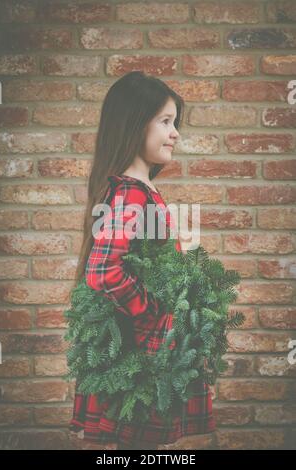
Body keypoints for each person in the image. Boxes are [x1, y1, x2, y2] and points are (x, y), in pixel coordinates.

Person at [69, 71, 216, 451]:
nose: (176, 133)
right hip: (143, 357)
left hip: (150, 354)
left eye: (175, 123)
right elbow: (104, 272)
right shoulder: (132, 193)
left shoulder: (142, 190)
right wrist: (155, 315)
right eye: (165, 121)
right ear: (135, 124)